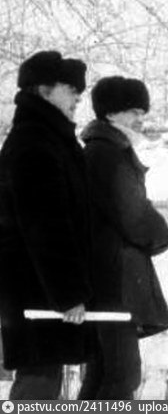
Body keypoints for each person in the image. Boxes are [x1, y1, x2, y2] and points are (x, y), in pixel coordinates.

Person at [0, 50, 93, 399]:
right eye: (70, 89)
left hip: (39, 288)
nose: (78, 98)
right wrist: (68, 294)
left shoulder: (47, 139)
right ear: (43, 90)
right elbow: (46, 226)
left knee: (43, 378)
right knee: (38, 382)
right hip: (36, 289)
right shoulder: (35, 143)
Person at [78, 76, 168, 399]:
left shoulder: (102, 149)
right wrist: (162, 235)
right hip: (116, 281)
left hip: (107, 279)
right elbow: (133, 214)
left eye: (142, 112)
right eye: (133, 111)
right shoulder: (109, 153)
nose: (140, 119)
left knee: (103, 373)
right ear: (111, 113)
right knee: (122, 374)